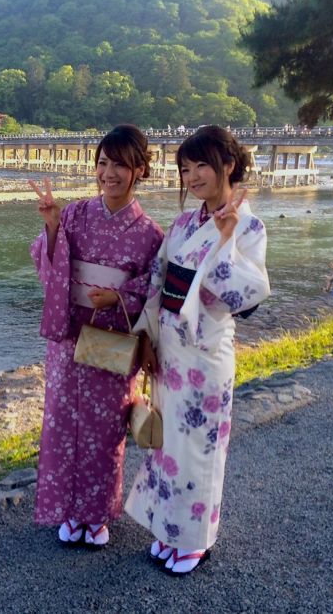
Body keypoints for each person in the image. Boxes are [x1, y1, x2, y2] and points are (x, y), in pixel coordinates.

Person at [125, 125, 271, 574]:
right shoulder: (185, 222)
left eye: (201, 165)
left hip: (206, 353)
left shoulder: (248, 225)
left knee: (200, 448)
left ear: (228, 164)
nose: (192, 177)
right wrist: (146, 336)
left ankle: (196, 539)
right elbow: (158, 279)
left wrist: (225, 243)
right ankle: (169, 530)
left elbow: (246, 298)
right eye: (185, 169)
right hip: (170, 349)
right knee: (168, 445)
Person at [29, 124, 164, 548]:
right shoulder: (73, 214)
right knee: (62, 424)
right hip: (71, 338)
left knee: (104, 431)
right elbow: (48, 264)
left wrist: (119, 297)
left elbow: (152, 288)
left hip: (111, 340)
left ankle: (97, 514)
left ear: (139, 169)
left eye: (120, 164)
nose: (109, 173)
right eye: (102, 163)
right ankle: (69, 511)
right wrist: (52, 227)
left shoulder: (151, 235)